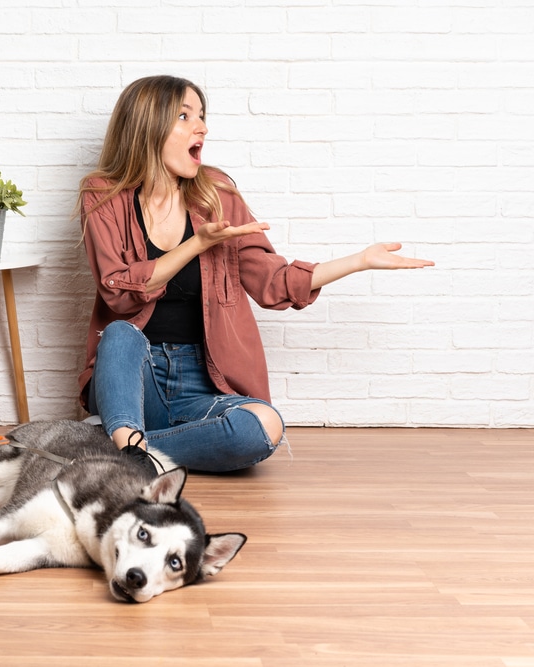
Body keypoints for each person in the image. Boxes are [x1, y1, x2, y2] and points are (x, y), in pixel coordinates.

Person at [77, 75, 434, 474]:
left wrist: (358, 261)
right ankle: (127, 436)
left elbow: (273, 282)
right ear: (148, 125)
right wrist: (196, 244)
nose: (203, 127)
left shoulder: (216, 195)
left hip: (203, 381)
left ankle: (122, 451)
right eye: (184, 116)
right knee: (122, 333)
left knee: (265, 425)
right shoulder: (103, 193)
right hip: (134, 378)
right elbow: (118, 293)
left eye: (202, 116)